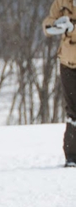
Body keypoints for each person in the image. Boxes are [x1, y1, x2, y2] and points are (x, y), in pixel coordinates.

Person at [44, 2, 76, 168]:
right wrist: (54, 25)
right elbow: (48, 22)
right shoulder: (61, 3)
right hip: (67, 63)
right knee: (72, 111)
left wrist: (72, 29)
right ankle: (71, 156)